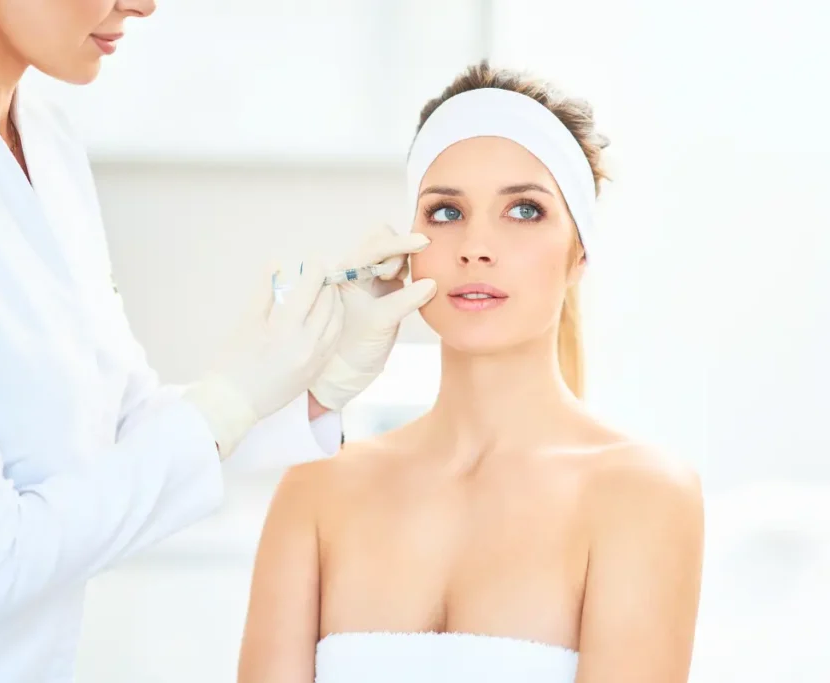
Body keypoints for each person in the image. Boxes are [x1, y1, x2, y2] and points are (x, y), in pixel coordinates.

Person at [0, 2, 436, 682]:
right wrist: (225, 404)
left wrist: (311, 392)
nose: (142, 3)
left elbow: (122, 429)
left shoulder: (45, 137)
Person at [237, 61, 705, 683]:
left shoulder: (639, 494)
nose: (476, 247)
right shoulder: (316, 494)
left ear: (579, 254)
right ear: (408, 245)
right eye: (447, 213)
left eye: (524, 212)